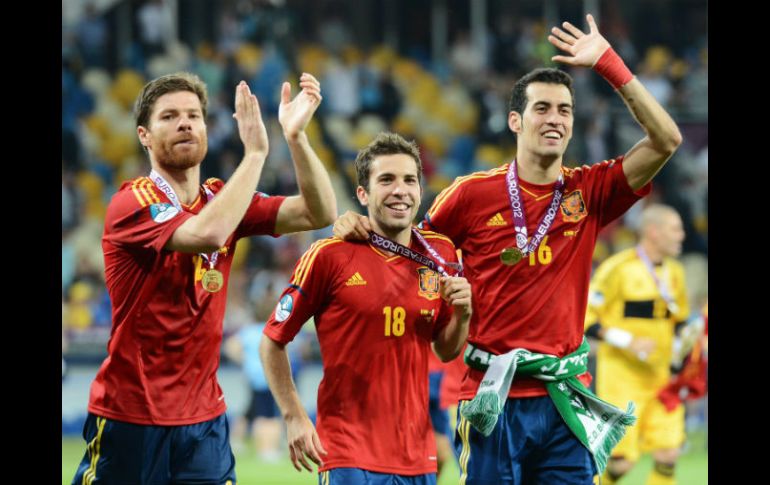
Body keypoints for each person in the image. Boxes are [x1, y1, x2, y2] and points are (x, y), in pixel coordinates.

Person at [333, 14, 682, 484]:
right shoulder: (470, 195)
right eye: (542, 108)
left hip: (565, 399)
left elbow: (667, 140)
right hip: (492, 399)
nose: (554, 119)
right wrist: (359, 225)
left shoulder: (590, 191)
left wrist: (609, 64)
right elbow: (411, 249)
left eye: (564, 110)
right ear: (516, 120)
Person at [71, 71, 337, 485]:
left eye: (194, 115)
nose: (185, 123)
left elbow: (318, 213)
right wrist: (254, 157)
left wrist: (297, 138)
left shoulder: (220, 198)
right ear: (144, 135)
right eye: (170, 116)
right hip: (132, 417)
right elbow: (205, 234)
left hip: (204, 424)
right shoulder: (132, 200)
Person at [260, 132, 472, 485]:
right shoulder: (330, 255)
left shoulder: (440, 255)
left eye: (409, 180)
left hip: (417, 456)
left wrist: (463, 314)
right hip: (347, 452)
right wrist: (294, 415)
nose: (400, 190)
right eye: (386, 179)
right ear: (363, 193)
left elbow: (446, 349)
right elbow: (272, 340)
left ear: (420, 190)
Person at [584, 205, 692, 485]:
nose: (682, 235)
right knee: (622, 462)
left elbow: (678, 321)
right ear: (653, 232)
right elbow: (586, 317)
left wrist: (689, 344)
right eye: (675, 229)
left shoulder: (676, 272)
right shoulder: (617, 268)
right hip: (623, 378)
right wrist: (627, 340)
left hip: (662, 378)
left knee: (668, 452)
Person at [222, 309, 283, 462]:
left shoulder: (248, 331)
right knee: (268, 415)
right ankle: (267, 449)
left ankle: (243, 442)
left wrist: (244, 360)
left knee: (253, 410)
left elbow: (230, 345)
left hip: (253, 376)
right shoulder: (272, 330)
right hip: (269, 376)